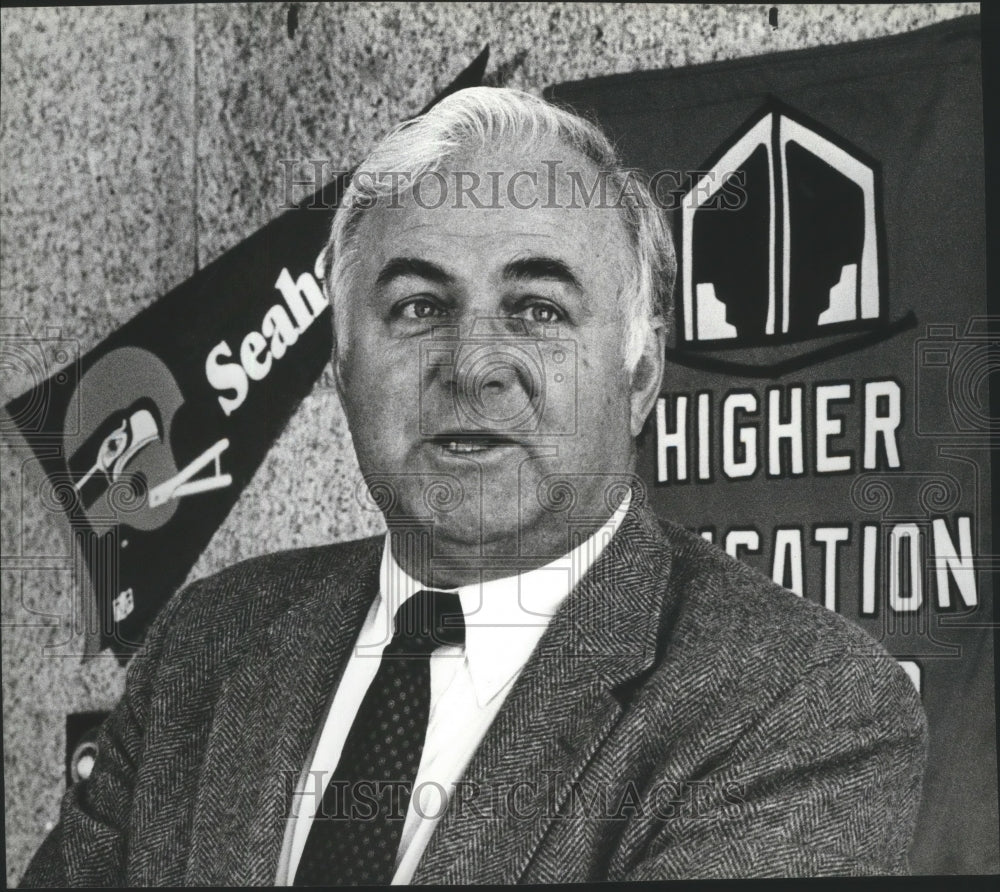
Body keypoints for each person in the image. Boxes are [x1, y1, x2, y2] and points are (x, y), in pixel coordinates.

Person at [21, 87, 927, 886]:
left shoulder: (801, 705)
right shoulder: (202, 648)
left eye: (539, 309)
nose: (474, 364)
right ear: (339, 369)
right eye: (418, 307)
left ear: (641, 375)